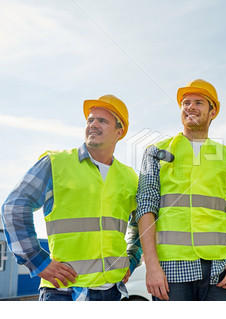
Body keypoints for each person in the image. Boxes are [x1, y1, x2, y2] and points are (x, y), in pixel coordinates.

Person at [1, 95, 141, 301]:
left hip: (114, 292)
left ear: (119, 132)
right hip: (64, 292)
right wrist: (39, 262)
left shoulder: (129, 177)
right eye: (90, 120)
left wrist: (131, 258)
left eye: (102, 121)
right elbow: (14, 207)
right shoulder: (56, 163)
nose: (93, 125)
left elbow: (140, 222)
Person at [136, 79, 226, 301]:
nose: (190, 107)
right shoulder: (157, 152)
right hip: (171, 270)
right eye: (186, 103)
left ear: (212, 112)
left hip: (218, 271)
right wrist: (151, 265)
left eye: (198, 102)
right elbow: (145, 209)